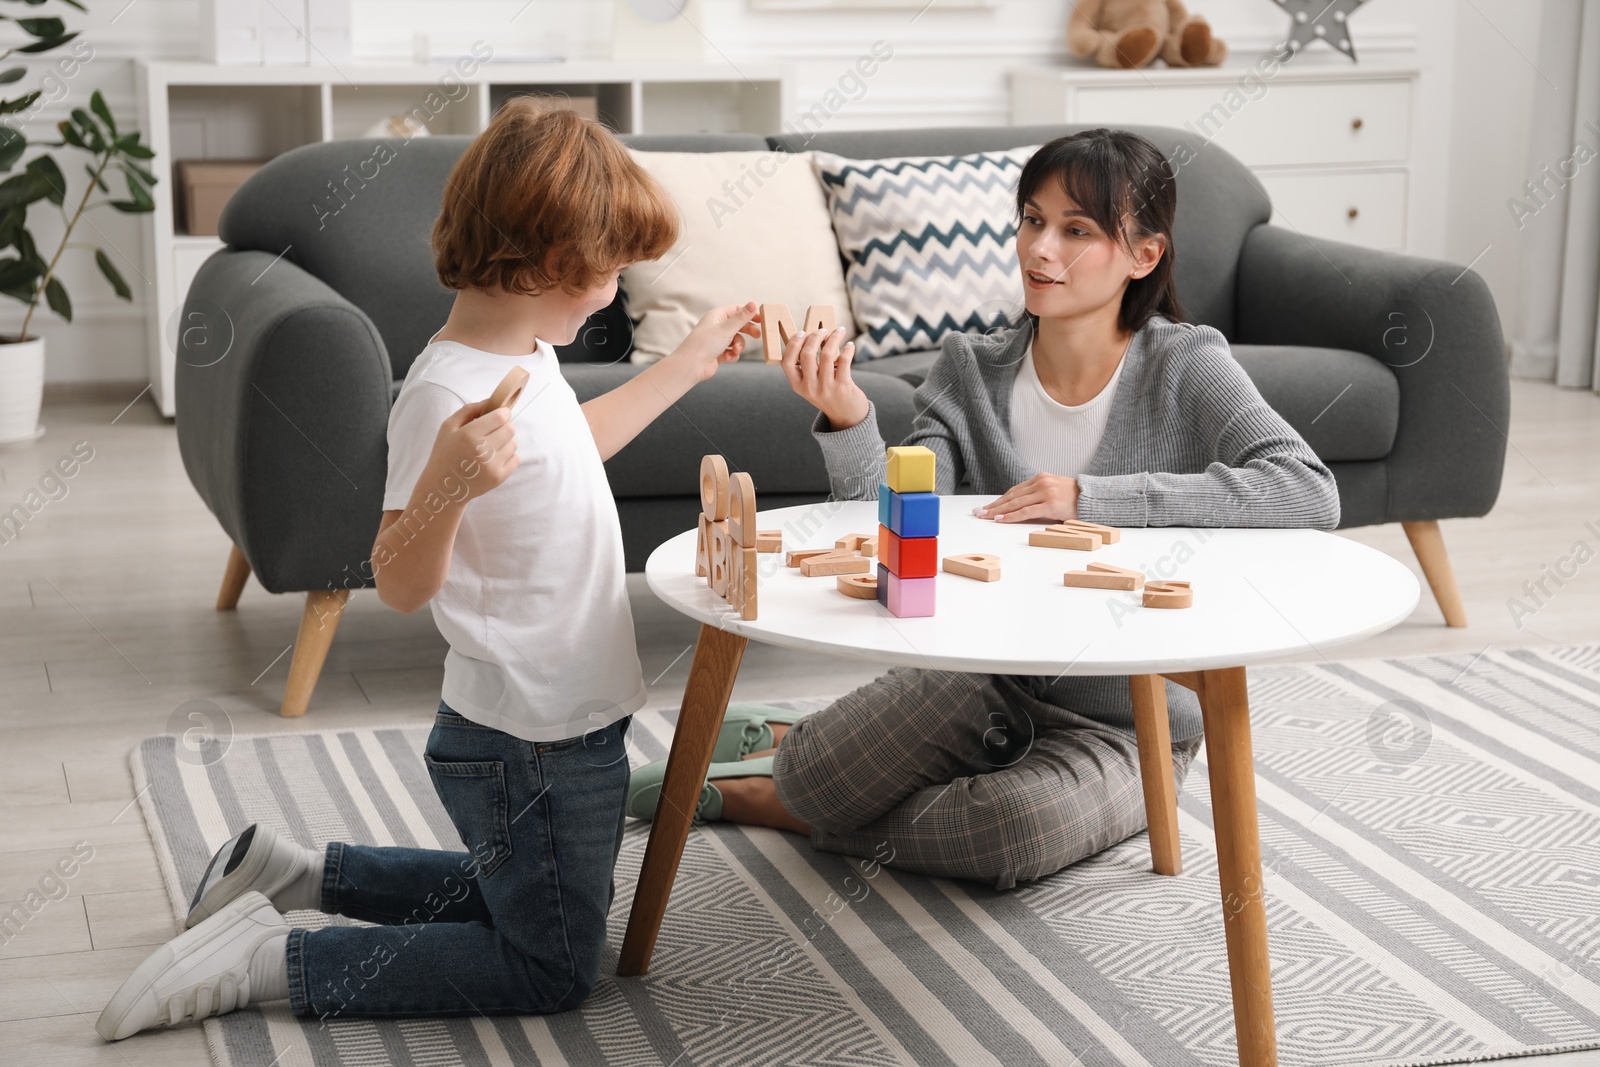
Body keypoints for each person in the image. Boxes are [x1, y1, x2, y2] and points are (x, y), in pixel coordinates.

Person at [97, 101, 762, 1041]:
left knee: (527, 896)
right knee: (551, 965)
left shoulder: (524, 353)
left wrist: (691, 367)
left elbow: (573, 446)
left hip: (559, 717)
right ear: (545, 264)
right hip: (526, 735)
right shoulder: (445, 393)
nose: (615, 295)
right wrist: (446, 485)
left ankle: (290, 874)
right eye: (610, 273)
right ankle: (263, 960)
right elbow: (399, 580)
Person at [628, 128, 1340, 891]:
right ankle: (791, 758)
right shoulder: (971, 369)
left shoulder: (1187, 365)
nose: (1040, 250)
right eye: (1032, 220)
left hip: (1127, 724)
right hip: (978, 682)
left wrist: (1091, 498)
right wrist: (847, 413)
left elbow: (1306, 488)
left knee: (1006, 835)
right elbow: (895, 521)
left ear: (1145, 254)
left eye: (1076, 231)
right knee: (817, 773)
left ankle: (766, 796)